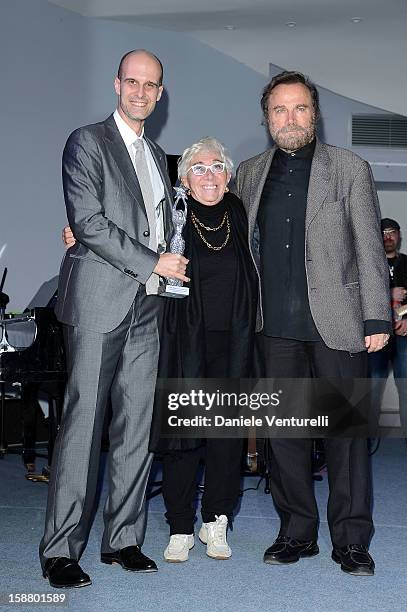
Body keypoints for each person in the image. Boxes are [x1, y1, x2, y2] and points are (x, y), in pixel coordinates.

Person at [64, 137, 258, 563]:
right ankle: (180, 526)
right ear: (184, 178)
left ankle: (217, 521)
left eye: (217, 167)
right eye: (199, 167)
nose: (210, 174)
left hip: (235, 341)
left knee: (226, 438)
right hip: (182, 339)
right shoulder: (171, 213)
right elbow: (122, 230)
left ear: (228, 176)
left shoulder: (242, 212)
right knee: (182, 437)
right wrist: (77, 235)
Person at [40, 49, 189, 589]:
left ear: (161, 93)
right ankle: (60, 550)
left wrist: (168, 263)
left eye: (152, 85)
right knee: (83, 427)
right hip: (99, 303)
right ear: (116, 84)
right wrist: (155, 262)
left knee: (135, 430)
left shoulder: (158, 155)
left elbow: (162, 225)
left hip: (149, 307)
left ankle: (122, 539)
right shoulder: (87, 141)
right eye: (133, 82)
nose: (141, 92)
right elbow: (89, 221)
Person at [234, 70, 391, 576]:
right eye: (279, 110)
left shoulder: (349, 167)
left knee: (345, 436)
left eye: (299, 108)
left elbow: (369, 247)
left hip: (340, 325)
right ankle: (296, 532)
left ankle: (350, 539)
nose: (290, 118)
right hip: (273, 329)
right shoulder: (249, 173)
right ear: (267, 119)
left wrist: (376, 316)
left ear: (315, 113)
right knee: (285, 438)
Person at [369, 218, 407, 430]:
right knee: (372, 385)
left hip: (404, 335)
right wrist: (389, 293)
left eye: (392, 232)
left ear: (399, 235)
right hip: (377, 336)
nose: (388, 236)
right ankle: (366, 441)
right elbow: (360, 298)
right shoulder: (370, 266)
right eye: (383, 232)